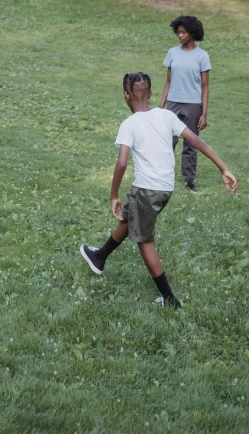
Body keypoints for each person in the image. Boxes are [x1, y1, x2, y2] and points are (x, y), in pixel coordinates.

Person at [80, 72, 237, 309]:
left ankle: (170, 299)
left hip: (146, 189)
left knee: (145, 241)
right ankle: (99, 257)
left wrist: (113, 195)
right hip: (165, 188)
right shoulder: (166, 115)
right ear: (151, 94)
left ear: (126, 95)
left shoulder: (129, 124)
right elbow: (195, 140)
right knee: (130, 217)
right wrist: (223, 168)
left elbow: (122, 163)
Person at [160, 15, 210, 192]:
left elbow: (205, 86)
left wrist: (204, 113)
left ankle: (189, 180)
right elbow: (168, 81)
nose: (180, 35)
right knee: (168, 140)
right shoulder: (173, 52)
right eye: (178, 32)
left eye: (184, 32)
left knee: (191, 143)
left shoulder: (202, 56)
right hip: (173, 103)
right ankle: (163, 175)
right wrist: (161, 105)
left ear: (193, 33)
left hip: (193, 105)